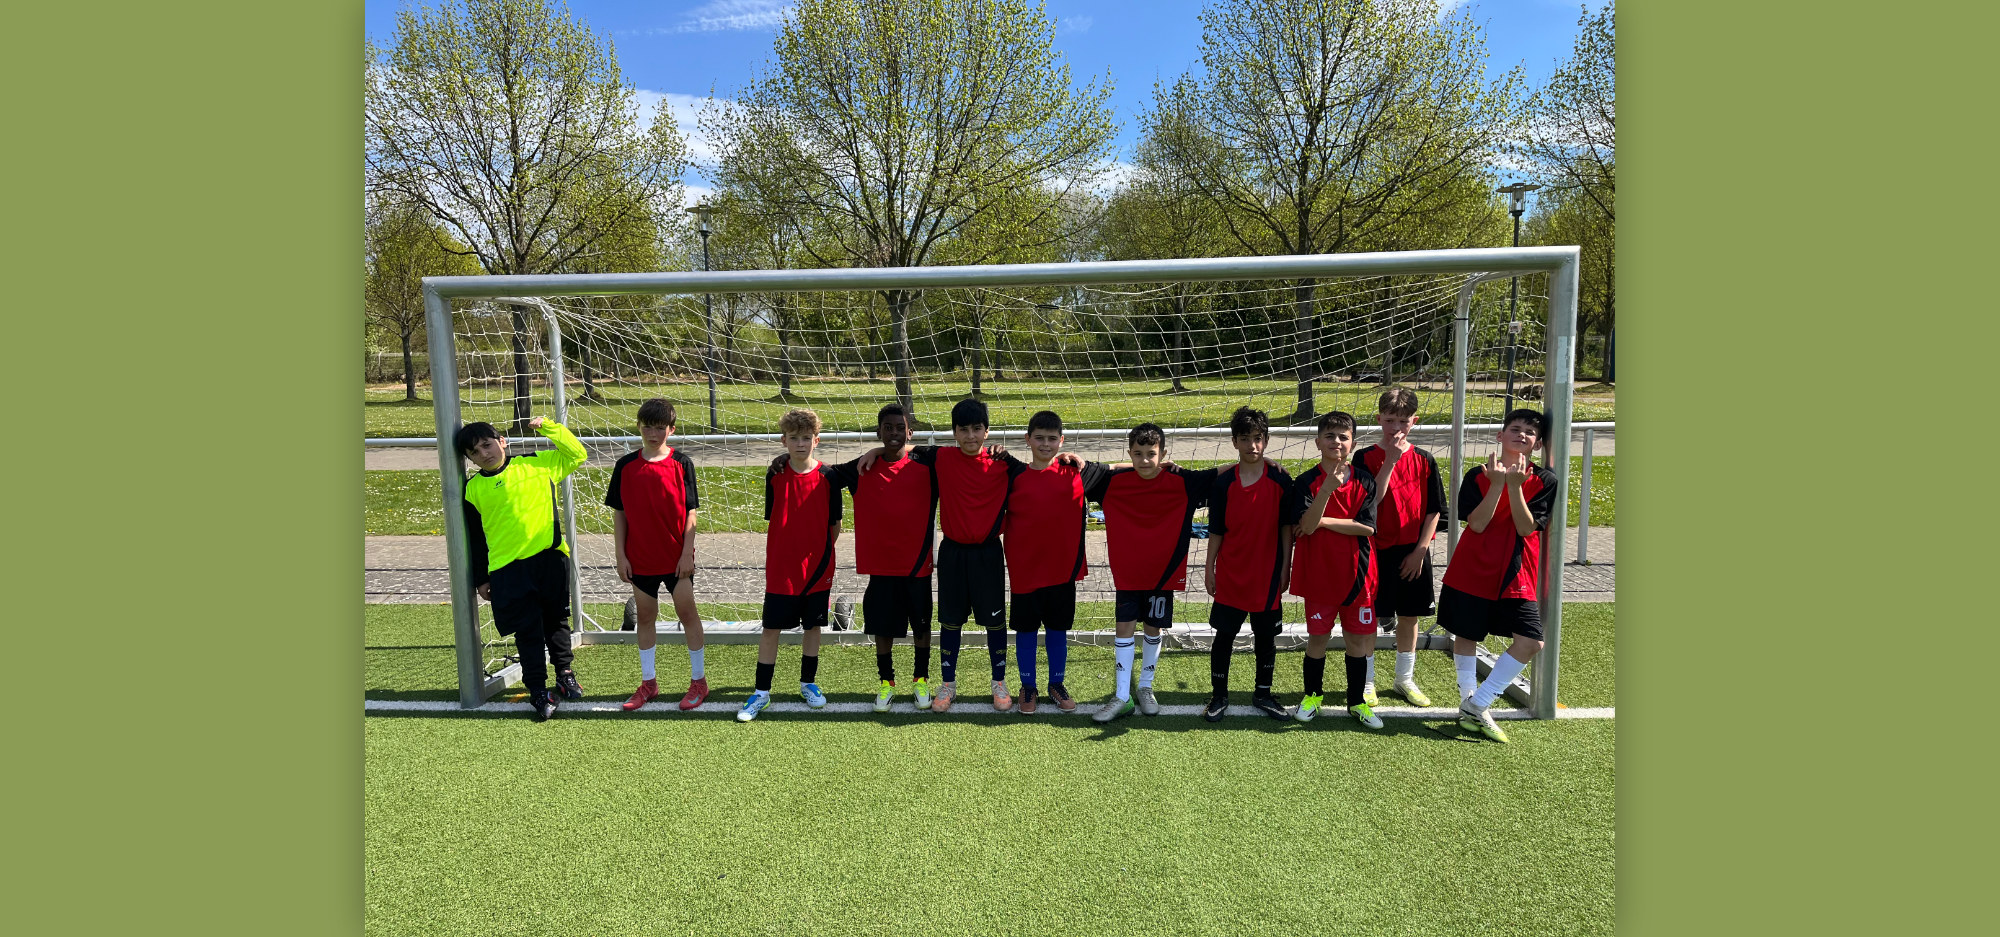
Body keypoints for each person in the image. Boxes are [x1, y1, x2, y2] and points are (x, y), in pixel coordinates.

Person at [862, 398, 1014, 712]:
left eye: (976, 429)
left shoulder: (1003, 462)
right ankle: (948, 684)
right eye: (963, 429)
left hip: (988, 554)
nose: (970, 436)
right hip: (952, 553)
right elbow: (899, 448)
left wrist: (1065, 457)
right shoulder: (940, 457)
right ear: (954, 432)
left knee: (995, 623)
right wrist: (874, 450)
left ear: (986, 431)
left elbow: (1039, 468)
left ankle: (999, 682)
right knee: (950, 622)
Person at [1085, 423, 1221, 722]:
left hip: (1162, 574)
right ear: (1129, 453)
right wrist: (1118, 466)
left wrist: (1263, 462)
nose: (1145, 460)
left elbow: (1222, 473)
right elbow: (1082, 468)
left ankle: (1145, 687)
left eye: (1151, 454)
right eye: (1138, 454)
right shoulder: (1111, 482)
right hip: (1128, 574)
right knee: (1123, 628)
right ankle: (1122, 696)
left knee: (1152, 629)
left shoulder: (1182, 481)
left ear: (1163, 453)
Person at [455, 416, 588, 722]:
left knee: (557, 621)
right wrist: (481, 578)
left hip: (549, 559)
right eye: (475, 452)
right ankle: (538, 690)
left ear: (502, 441)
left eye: (487, 445)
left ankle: (565, 673)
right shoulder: (473, 489)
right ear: (470, 459)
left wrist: (549, 427)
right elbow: (476, 538)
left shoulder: (537, 463)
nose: (484, 453)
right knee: (527, 631)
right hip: (508, 571)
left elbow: (577, 454)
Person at [1441, 408, 1561, 744]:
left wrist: (1514, 487)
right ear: (1500, 435)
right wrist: (1497, 485)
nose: (1522, 435)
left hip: (1515, 572)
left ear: (1538, 444)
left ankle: (1479, 703)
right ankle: (1469, 702)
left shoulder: (1545, 480)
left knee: (1531, 641)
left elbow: (1525, 527)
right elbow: (1477, 524)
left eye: (1530, 432)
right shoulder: (1477, 475)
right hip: (1472, 567)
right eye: (1515, 428)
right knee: (1467, 634)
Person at [824, 403, 939, 712]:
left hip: (917, 565)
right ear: (879, 431)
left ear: (910, 433)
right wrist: (786, 459)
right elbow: (825, 474)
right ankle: (886, 682)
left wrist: (877, 450)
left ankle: (921, 680)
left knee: (922, 627)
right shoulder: (862, 469)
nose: (894, 433)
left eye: (900, 428)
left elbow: (963, 454)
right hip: (882, 567)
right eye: (887, 428)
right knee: (883, 628)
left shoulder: (928, 463)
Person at [999, 410, 1107, 714]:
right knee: (1026, 631)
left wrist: (1162, 465)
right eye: (1039, 438)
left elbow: (1118, 470)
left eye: (1051, 438)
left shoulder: (1077, 472)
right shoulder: (1013, 474)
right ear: (1027, 439)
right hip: (1025, 572)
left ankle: (1056, 684)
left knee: (1058, 630)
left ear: (1061, 440)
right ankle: (1028, 686)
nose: (1045, 444)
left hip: (1062, 571)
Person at [738, 409, 843, 722]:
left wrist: (819, 552)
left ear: (816, 440)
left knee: (813, 627)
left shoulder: (829, 477)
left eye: (806, 438)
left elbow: (835, 525)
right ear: (783, 441)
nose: (800, 444)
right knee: (771, 628)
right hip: (782, 568)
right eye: (794, 438)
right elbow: (775, 517)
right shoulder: (775, 474)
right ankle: (761, 692)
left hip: (817, 568)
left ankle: (808, 683)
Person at [607, 399, 709, 712]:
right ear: (639, 427)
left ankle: (699, 681)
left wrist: (687, 554)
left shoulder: (682, 463)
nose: (653, 434)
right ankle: (649, 683)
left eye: (660, 428)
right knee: (645, 617)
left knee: (687, 614)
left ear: (671, 429)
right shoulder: (625, 465)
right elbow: (620, 514)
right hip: (640, 558)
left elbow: (691, 512)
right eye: (648, 427)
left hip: (677, 559)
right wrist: (621, 555)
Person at [1285, 411, 1383, 729]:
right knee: (1318, 640)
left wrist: (1324, 521)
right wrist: (1326, 490)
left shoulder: (1365, 480)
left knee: (1356, 642)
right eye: (1329, 436)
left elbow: (1367, 528)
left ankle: (1356, 702)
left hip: (1358, 576)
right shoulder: (1305, 482)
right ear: (1317, 442)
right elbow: (1306, 525)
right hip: (1319, 575)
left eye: (1343, 436)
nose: (1336, 441)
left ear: (1352, 442)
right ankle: (1313, 697)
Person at [1352, 387, 1449, 708]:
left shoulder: (1424, 459)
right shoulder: (1364, 457)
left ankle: (1404, 679)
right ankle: (1366, 682)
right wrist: (1390, 462)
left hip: (1414, 552)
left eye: (1403, 421)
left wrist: (1420, 550)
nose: (1396, 428)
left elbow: (1435, 510)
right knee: (1370, 617)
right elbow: (1370, 503)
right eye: (1390, 420)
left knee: (1409, 617)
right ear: (1379, 419)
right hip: (1374, 551)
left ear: (1414, 422)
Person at [1201, 407, 1295, 722]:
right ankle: (1219, 695)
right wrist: (1209, 567)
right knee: (1224, 636)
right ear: (1234, 442)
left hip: (1267, 574)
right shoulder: (1223, 483)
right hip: (1231, 573)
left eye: (1258, 438)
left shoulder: (1280, 478)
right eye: (1245, 439)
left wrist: (1286, 566)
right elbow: (1216, 530)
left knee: (1266, 638)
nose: (1252, 445)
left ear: (1266, 440)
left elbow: (1286, 527)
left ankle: (1263, 694)